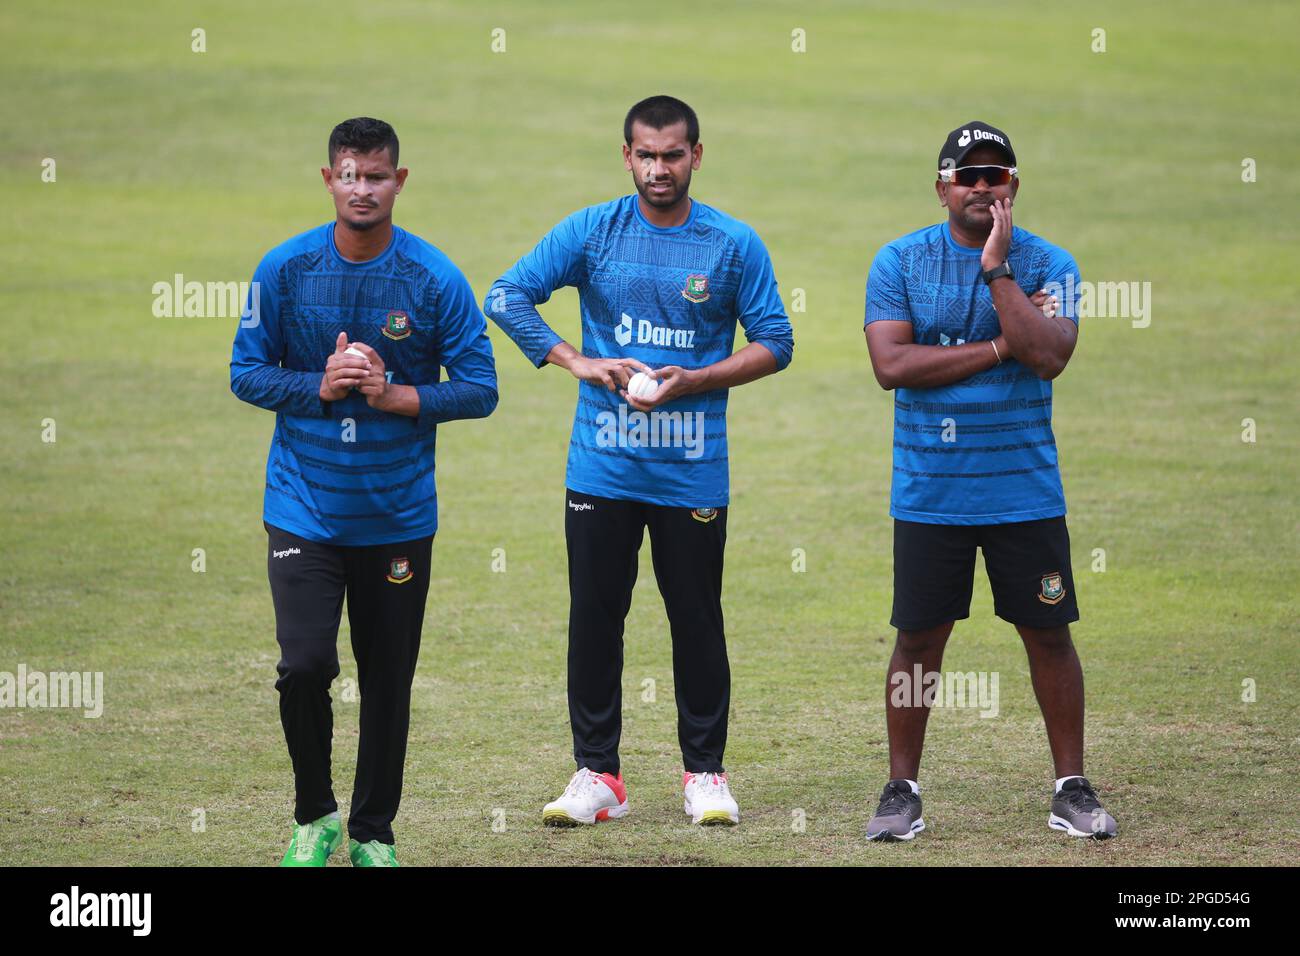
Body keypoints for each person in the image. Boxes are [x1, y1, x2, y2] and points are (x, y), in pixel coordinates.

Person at [483, 95, 793, 827]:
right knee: (594, 617)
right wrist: (576, 360)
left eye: (673, 155)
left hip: (691, 470)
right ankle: (598, 776)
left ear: (696, 155)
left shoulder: (731, 242)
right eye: (646, 155)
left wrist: (698, 378)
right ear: (627, 156)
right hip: (602, 468)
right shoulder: (593, 230)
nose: (660, 168)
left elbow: (776, 340)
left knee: (696, 618)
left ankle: (705, 775)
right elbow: (506, 294)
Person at [230, 117, 498, 865]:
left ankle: (373, 832)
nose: (361, 189)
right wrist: (318, 384)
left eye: (375, 176)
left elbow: (481, 388)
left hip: (397, 518)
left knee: (388, 683)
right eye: (348, 175)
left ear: (398, 183)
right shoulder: (283, 270)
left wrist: (396, 396)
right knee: (306, 665)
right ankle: (314, 813)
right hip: (304, 509)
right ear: (327, 180)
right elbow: (245, 372)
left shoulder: (434, 278)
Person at [861, 120, 1117, 841]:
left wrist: (999, 271)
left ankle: (1070, 788)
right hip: (930, 491)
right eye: (967, 175)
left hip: (1023, 491)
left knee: (1049, 634)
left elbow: (1050, 356)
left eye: (995, 175)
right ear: (941, 185)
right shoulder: (900, 261)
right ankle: (901, 789)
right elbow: (893, 367)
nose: (981, 187)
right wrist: (1003, 342)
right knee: (917, 642)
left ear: (1014, 184)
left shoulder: (1048, 263)